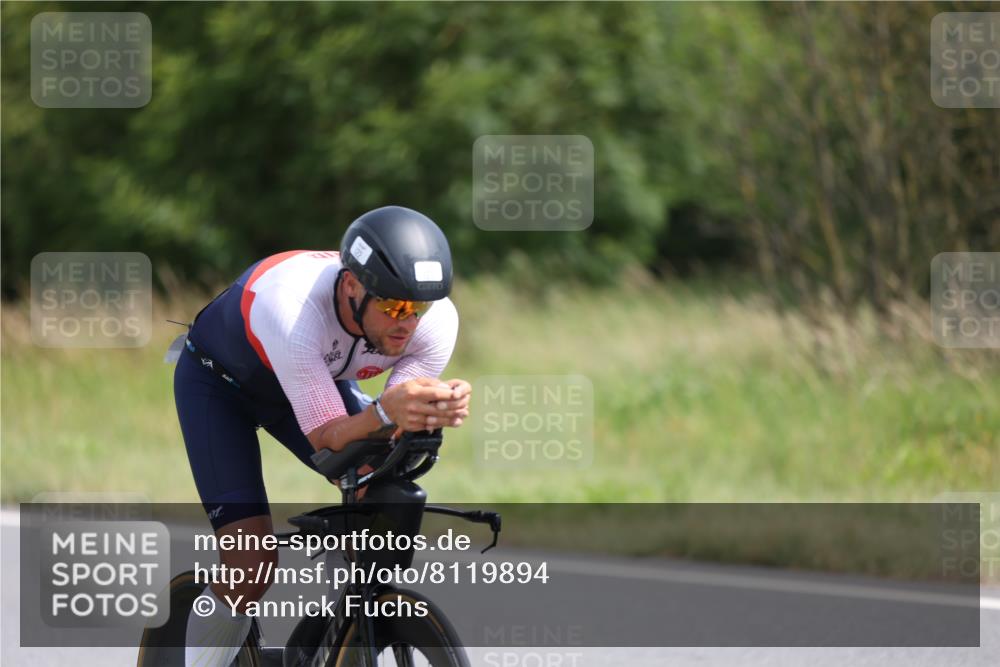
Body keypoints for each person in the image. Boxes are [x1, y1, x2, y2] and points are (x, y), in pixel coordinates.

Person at [172, 205, 471, 667]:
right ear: (352, 285)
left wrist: (432, 410)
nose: (407, 322)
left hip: (311, 379)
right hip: (220, 389)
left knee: (378, 492)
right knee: (251, 563)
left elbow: (386, 432)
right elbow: (330, 438)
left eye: (418, 307)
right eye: (393, 306)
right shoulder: (293, 308)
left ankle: (342, 631)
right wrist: (383, 411)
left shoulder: (436, 323)